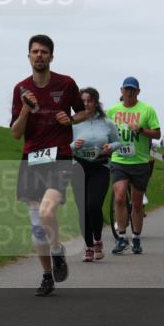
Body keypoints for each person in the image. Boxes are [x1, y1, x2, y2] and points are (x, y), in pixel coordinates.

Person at [11, 35, 91, 295]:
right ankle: (47, 275)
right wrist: (25, 109)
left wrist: (71, 119)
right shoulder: (20, 89)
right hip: (32, 159)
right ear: (28, 56)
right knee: (37, 227)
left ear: (51, 56)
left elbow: (83, 112)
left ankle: (57, 251)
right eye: (35, 52)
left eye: (44, 52)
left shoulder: (66, 83)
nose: (39, 56)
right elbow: (15, 133)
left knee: (47, 212)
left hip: (60, 157)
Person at [107, 77, 161, 255]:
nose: (129, 92)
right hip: (119, 160)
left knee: (137, 204)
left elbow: (157, 133)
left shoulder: (147, 110)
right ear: (121, 90)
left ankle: (136, 238)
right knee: (120, 197)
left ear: (138, 91)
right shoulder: (113, 110)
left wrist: (141, 130)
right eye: (126, 89)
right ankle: (122, 238)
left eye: (132, 89)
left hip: (139, 162)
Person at [71, 87, 121, 261]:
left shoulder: (107, 122)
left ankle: (98, 239)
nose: (86, 104)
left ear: (96, 102)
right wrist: (73, 146)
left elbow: (118, 142)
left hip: (100, 166)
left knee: (93, 206)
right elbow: (64, 146)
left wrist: (110, 147)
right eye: (83, 101)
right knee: (83, 209)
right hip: (78, 166)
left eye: (89, 100)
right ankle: (89, 246)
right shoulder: (73, 122)